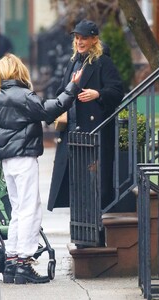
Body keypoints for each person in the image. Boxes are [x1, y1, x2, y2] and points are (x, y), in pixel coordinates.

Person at [0, 53, 82, 284]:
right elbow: (52, 109)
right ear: (19, 70)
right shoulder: (24, 95)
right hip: (24, 158)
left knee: (18, 210)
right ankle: (24, 262)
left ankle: (11, 260)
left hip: (7, 161)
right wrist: (72, 86)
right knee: (30, 209)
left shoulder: (0, 97)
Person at [47, 19, 124, 246]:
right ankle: (82, 236)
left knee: (93, 185)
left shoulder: (102, 62)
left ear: (94, 40)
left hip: (94, 135)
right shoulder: (73, 62)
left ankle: (95, 238)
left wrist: (97, 94)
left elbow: (117, 91)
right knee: (77, 186)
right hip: (73, 133)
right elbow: (63, 90)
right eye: (77, 38)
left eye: (84, 38)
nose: (79, 41)